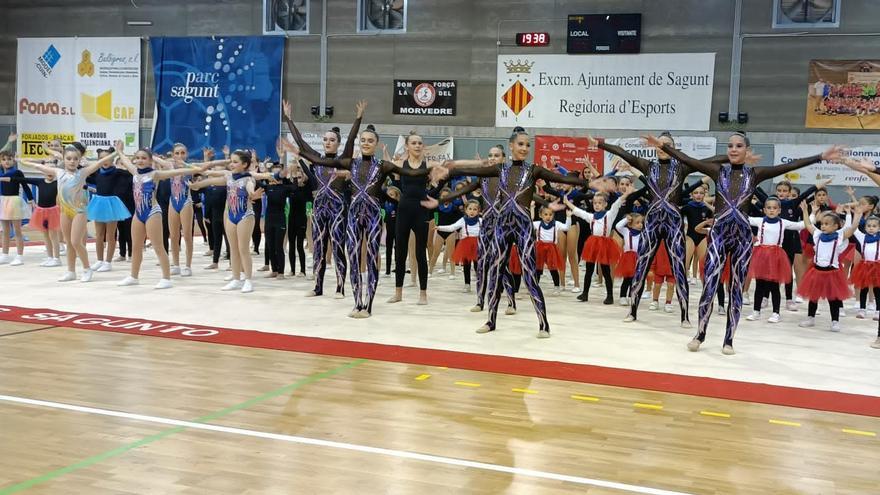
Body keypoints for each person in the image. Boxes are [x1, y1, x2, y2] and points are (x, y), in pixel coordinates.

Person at [648, 131, 842, 354]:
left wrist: (820, 157)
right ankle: (700, 334)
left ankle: (729, 339)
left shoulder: (754, 173)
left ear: (746, 150)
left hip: (741, 239)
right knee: (709, 287)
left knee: (736, 289)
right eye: (730, 145)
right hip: (719, 237)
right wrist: (666, 148)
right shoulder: (717, 171)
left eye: (738, 145)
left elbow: (788, 167)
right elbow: (689, 160)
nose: (733, 149)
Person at [446, 127, 593, 338]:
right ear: (511, 146)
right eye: (521, 144)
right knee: (495, 273)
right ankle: (491, 320)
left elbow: (564, 179)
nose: (524, 148)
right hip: (502, 226)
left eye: (527, 145)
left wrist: (587, 182)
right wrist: (449, 169)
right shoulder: (500, 170)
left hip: (524, 227)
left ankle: (544, 324)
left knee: (530, 276)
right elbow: (474, 172)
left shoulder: (534, 170)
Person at [291, 120, 440, 318]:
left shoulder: (383, 165)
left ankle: (368, 305)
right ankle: (356, 303)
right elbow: (323, 161)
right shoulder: (350, 163)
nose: (366, 143)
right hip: (353, 216)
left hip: (373, 217)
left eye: (370, 140)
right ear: (359, 143)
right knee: (353, 259)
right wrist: (299, 152)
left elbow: (409, 172)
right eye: (363, 140)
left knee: (371, 259)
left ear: (377, 144)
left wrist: (438, 171)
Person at [595, 133, 725, 326]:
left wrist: (734, 157)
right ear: (654, 147)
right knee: (642, 266)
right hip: (653, 222)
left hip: (673, 223)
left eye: (667, 145)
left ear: (674, 148)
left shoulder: (682, 167)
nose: (662, 147)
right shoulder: (649, 166)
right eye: (659, 144)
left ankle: (684, 315)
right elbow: (623, 153)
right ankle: (632, 311)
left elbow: (710, 160)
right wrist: (599, 144)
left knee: (679, 268)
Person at [283, 100, 362, 297]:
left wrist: (358, 119)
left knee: (337, 248)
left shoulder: (342, 160)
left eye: (332, 139)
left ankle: (340, 287)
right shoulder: (316, 158)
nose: (328, 142)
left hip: (338, 209)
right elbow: (300, 141)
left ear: (338, 143)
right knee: (318, 247)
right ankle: (317, 287)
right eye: (325, 139)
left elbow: (351, 140)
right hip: (319, 208)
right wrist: (289, 119)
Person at [18, 143, 117, 282]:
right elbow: (39, 166)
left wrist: (117, 152)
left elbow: (100, 162)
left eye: (75, 159)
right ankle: (71, 271)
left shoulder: (82, 172)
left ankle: (87, 268)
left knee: (76, 241)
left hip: (79, 211)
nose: (72, 161)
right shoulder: (59, 172)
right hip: (65, 211)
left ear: (79, 160)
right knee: (68, 243)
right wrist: (22, 161)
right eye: (69, 158)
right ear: (64, 159)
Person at [112, 142, 204, 289]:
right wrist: (120, 152)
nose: (140, 160)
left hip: (152, 213)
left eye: (144, 158)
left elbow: (174, 172)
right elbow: (126, 161)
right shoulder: (135, 172)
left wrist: (193, 168)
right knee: (136, 246)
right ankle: (133, 276)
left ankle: (166, 278)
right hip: (138, 213)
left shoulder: (154, 174)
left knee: (158, 246)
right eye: (138, 158)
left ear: (150, 161)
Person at [191, 150, 274, 293]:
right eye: (231, 161)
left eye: (235, 162)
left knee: (243, 249)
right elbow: (211, 179)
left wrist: (253, 195)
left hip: (245, 216)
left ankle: (248, 280)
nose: (232, 164)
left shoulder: (248, 179)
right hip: (231, 216)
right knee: (233, 249)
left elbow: (250, 189)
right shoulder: (228, 176)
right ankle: (236, 279)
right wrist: (196, 185)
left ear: (245, 164)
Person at [153, 143, 229, 277]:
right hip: (173, 202)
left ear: (186, 154)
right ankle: (176, 265)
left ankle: (187, 266)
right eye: (177, 153)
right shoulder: (170, 166)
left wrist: (228, 159)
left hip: (185, 203)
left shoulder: (190, 167)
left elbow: (208, 166)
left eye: (182, 153)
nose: (180, 155)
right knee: (174, 236)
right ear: (173, 154)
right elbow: (153, 158)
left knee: (187, 235)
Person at [798, 202, 863, 332]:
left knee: (833, 298)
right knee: (813, 296)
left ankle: (835, 321)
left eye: (827, 224)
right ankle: (810, 317)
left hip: (832, 273)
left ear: (835, 226)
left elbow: (853, 228)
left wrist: (858, 215)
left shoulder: (840, 236)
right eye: (822, 224)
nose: (823, 226)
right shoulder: (817, 235)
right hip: (816, 271)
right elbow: (808, 225)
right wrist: (805, 211)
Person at [744, 197, 804, 323]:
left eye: (775, 208)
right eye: (769, 208)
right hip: (761, 255)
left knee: (774, 286)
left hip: (776, 256)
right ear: (764, 210)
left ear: (779, 210)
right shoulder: (760, 221)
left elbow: (800, 225)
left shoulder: (783, 222)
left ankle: (776, 313)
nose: (772, 210)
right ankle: (756, 311)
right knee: (759, 285)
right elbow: (743, 218)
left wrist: (811, 214)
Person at [565, 190, 626, 304]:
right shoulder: (591, 216)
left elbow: (617, 204)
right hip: (592, 243)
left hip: (605, 244)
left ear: (605, 205)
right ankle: (585, 293)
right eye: (595, 203)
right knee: (589, 269)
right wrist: (567, 202)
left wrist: (626, 194)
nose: (597, 205)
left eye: (599, 203)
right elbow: (578, 211)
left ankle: (610, 295)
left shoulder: (609, 214)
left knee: (605, 270)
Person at [86, 147, 131, 273]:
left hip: (112, 204)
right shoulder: (96, 173)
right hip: (99, 203)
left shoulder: (118, 172)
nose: (105, 161)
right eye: (101, 159)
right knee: (99, 235)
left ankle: (108, 262)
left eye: (108, 158)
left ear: (112, 159)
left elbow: (133, 172)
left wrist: (120, 153)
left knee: (110, 235)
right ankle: (99, 260)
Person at [435, 199, 482, 292]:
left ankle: (480, 283)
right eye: (470, 209)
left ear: (479, 211)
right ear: (466, 210)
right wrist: (439, 227)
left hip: (478, 244)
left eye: (475, 209)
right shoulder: (463, 220)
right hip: (465, 244)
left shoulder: (481, 221)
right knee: (466, 265)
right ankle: (467, 284)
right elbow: (452, 227)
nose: (472, 211)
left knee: (478, 265)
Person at [0, 150, 34, 266]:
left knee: (17, 231)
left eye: (9, 159)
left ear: (13, 160)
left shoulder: (17, 172)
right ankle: (4, 254)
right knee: (5, 231)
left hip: (14, 201)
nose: (7, 162)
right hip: (3, 201)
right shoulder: (0, 172)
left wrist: (31, 200)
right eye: (4, 159)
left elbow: (25, 186)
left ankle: (19, 255)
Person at [532, 205, 571, 295]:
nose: (548, 216)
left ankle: (557, 286)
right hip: (540, 248)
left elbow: (566, 228)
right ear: (541, 215)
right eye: (545, 214)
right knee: (538, 268)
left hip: (551, 249)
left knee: (553, 268)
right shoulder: (537, 224)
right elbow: (528, 223)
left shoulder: (556, 224)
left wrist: (568, 217)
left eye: (550, 214)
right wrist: (532, 209)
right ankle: (535, 287)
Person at [614, 213, 643, 306]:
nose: (640, 224)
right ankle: (622, 296)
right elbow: (617, 226)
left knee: (635, 279)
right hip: (628, 258)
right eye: (637, 223)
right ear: (630, 224)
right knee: (627, 279)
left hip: (638, 258)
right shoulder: (626, 231)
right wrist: (626, 220)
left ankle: (631, 295)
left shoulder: (643, 233)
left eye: (641, 222)